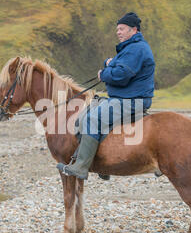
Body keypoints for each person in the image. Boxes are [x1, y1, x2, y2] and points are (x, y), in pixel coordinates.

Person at [57, 12, 155, 179]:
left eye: (122, 29)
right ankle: (102, 164)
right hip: (122, 98)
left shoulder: (136, 49)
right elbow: (115, 64)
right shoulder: (130, 48)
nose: (118, 32)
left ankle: (81, 167)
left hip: (131, 101)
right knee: (84, 115)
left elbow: (121, 75)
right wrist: (109, 64)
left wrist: (104, 74)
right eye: (117, 29)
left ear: (134, 29)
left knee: (92, 119)